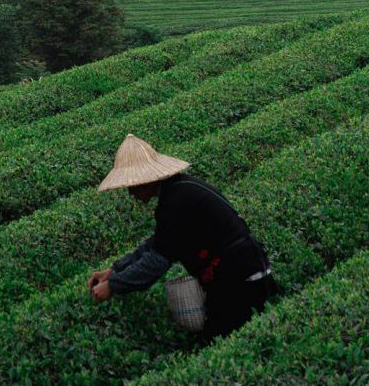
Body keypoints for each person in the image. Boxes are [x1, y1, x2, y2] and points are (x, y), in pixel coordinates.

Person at [86, 134, 277, 338]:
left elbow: (156, 261)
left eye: (132, 186)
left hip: (242, 281)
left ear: (147, 181)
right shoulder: (179, 191)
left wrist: (114, 286)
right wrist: (114, 270)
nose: (131, 194)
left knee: (220, 340)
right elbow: (158, 243)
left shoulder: (175, 202)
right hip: (244, 271)